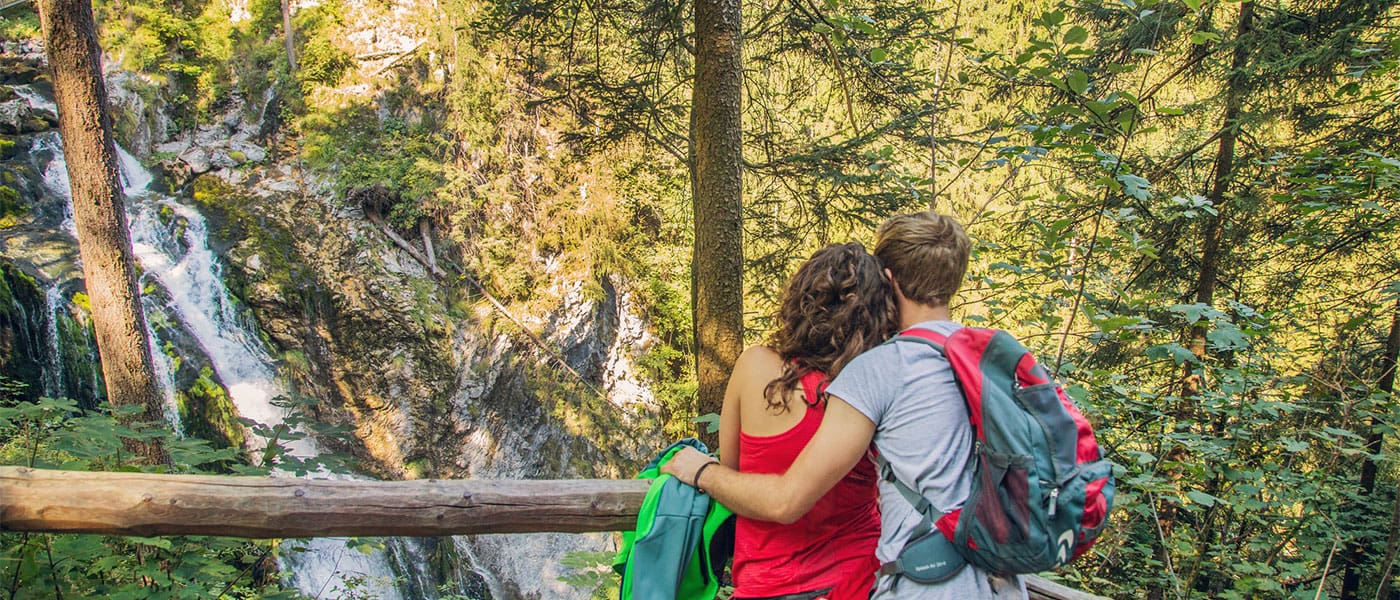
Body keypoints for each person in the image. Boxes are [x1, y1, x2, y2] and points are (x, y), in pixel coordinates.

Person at [664, 211, 1026, 599]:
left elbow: (762, 486)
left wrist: (701, 471)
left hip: (789, 581)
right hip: (917, 576)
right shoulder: (979, 359)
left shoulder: (867, 375)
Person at [717, 242, 893, 600]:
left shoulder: (756, 367)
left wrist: (696, 471)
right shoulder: (872, 385)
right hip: (861, 580)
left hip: (768, 583)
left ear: (802, 301)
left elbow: (729, 470)